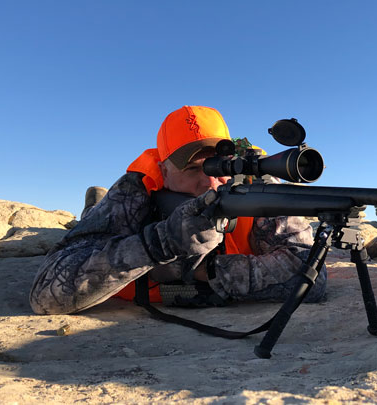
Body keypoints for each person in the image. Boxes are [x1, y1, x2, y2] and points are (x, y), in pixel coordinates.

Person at [29, 105, 327, 315]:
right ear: (164, 170)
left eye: (220, 166)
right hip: (120, 220)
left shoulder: (255, 181)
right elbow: (47, 296)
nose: (212, 181)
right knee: (99, 222)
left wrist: (203, 272)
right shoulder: (135, 189)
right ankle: (94, 206)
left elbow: (311, 278)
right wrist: (160, 243)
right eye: (195, 168)